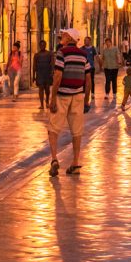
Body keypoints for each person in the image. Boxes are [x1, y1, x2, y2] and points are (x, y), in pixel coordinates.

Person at [47, 27, 92, 176]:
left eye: (64, 35)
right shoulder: (83, 55)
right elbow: (88, 79)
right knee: (77, 130)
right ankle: (75, 163)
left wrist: (53, 98)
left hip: (62, 95)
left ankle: (54, 159)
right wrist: (86, 100)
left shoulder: (62, 53)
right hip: (78, 95)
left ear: (70, 38)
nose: (62, 37)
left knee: (53, 128)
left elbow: (58, 76)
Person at [33, 41, 54, 111]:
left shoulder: (50, 54)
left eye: (44, 45)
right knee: (41, 88)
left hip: (47, 73)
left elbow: (52, 64)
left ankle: (47, 101)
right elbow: (34, 66)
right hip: (40, 73)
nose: (42, 46)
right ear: (39, 46)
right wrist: (33, 76)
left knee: (47, 89)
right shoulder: (36, 55)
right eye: (41, 45)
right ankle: (41, 104)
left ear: (45, 45)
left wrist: (52, 73)